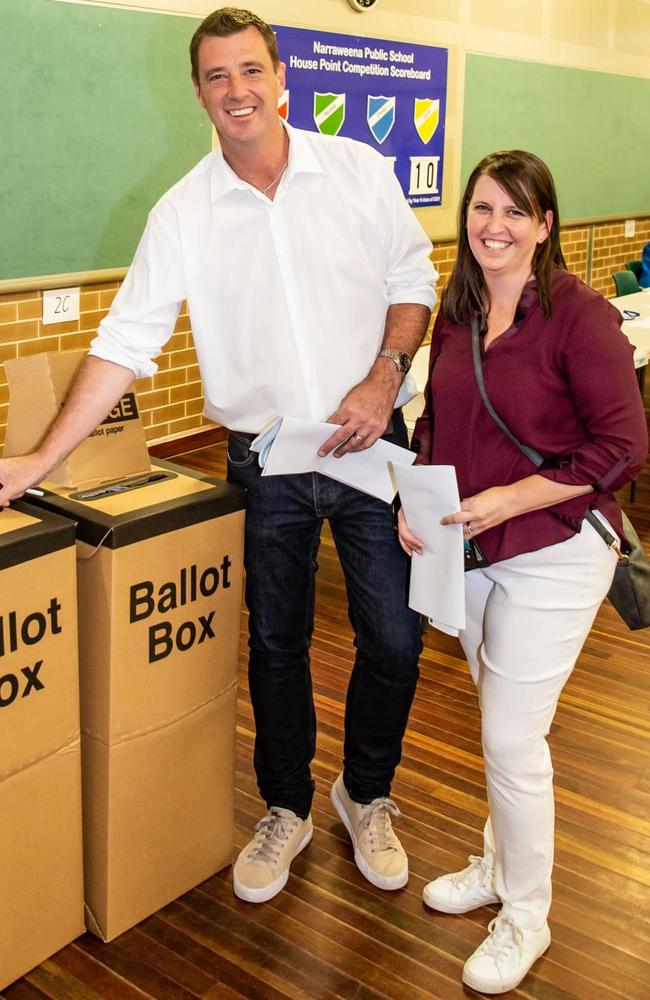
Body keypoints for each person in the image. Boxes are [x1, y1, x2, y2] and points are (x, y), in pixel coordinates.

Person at [0, 9, 437, 903]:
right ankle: (287, 808)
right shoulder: (183, 213)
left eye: (249, 71)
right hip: (264, 463)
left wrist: (385, 376)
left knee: (394, 637)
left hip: (370, 447)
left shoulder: (358, 170)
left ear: (282, 78)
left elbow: (413, 280)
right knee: (276, 645)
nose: (236, 91)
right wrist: (40, 460)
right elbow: (126, 340)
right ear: (197, 92)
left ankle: (365, 794)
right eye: (215, 77)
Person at [398, 150, 647, 993]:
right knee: (499, 724)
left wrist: (509, 498)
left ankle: (527, 916)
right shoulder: (458, 308)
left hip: (557, 546)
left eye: (514, 212)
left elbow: (623, 447)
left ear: (546, 226)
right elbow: (434, 420)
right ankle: (499, 866)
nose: (493, 226)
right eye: (481, 209)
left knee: (511, 736)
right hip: (470, 546)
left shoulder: (580, 317)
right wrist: (415, 500)